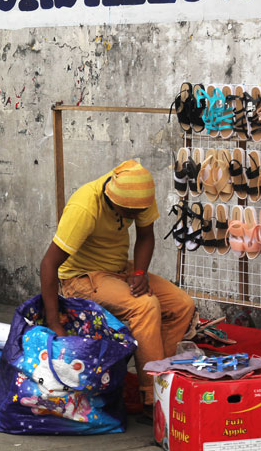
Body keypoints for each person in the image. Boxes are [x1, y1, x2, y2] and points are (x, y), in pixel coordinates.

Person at [39, 159, 195, 410]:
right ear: (113, 201)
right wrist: (54, 321)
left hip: (118, 269)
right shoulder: (85, 207)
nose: (135, 217)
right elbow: (49, 264)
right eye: (129, 213)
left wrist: (140, 272)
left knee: (181, 305)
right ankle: (151, 398)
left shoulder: (138, 194)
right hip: (81, 277)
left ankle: (162, 378)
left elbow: (146, 236)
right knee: (145, 305)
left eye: (137, 212)